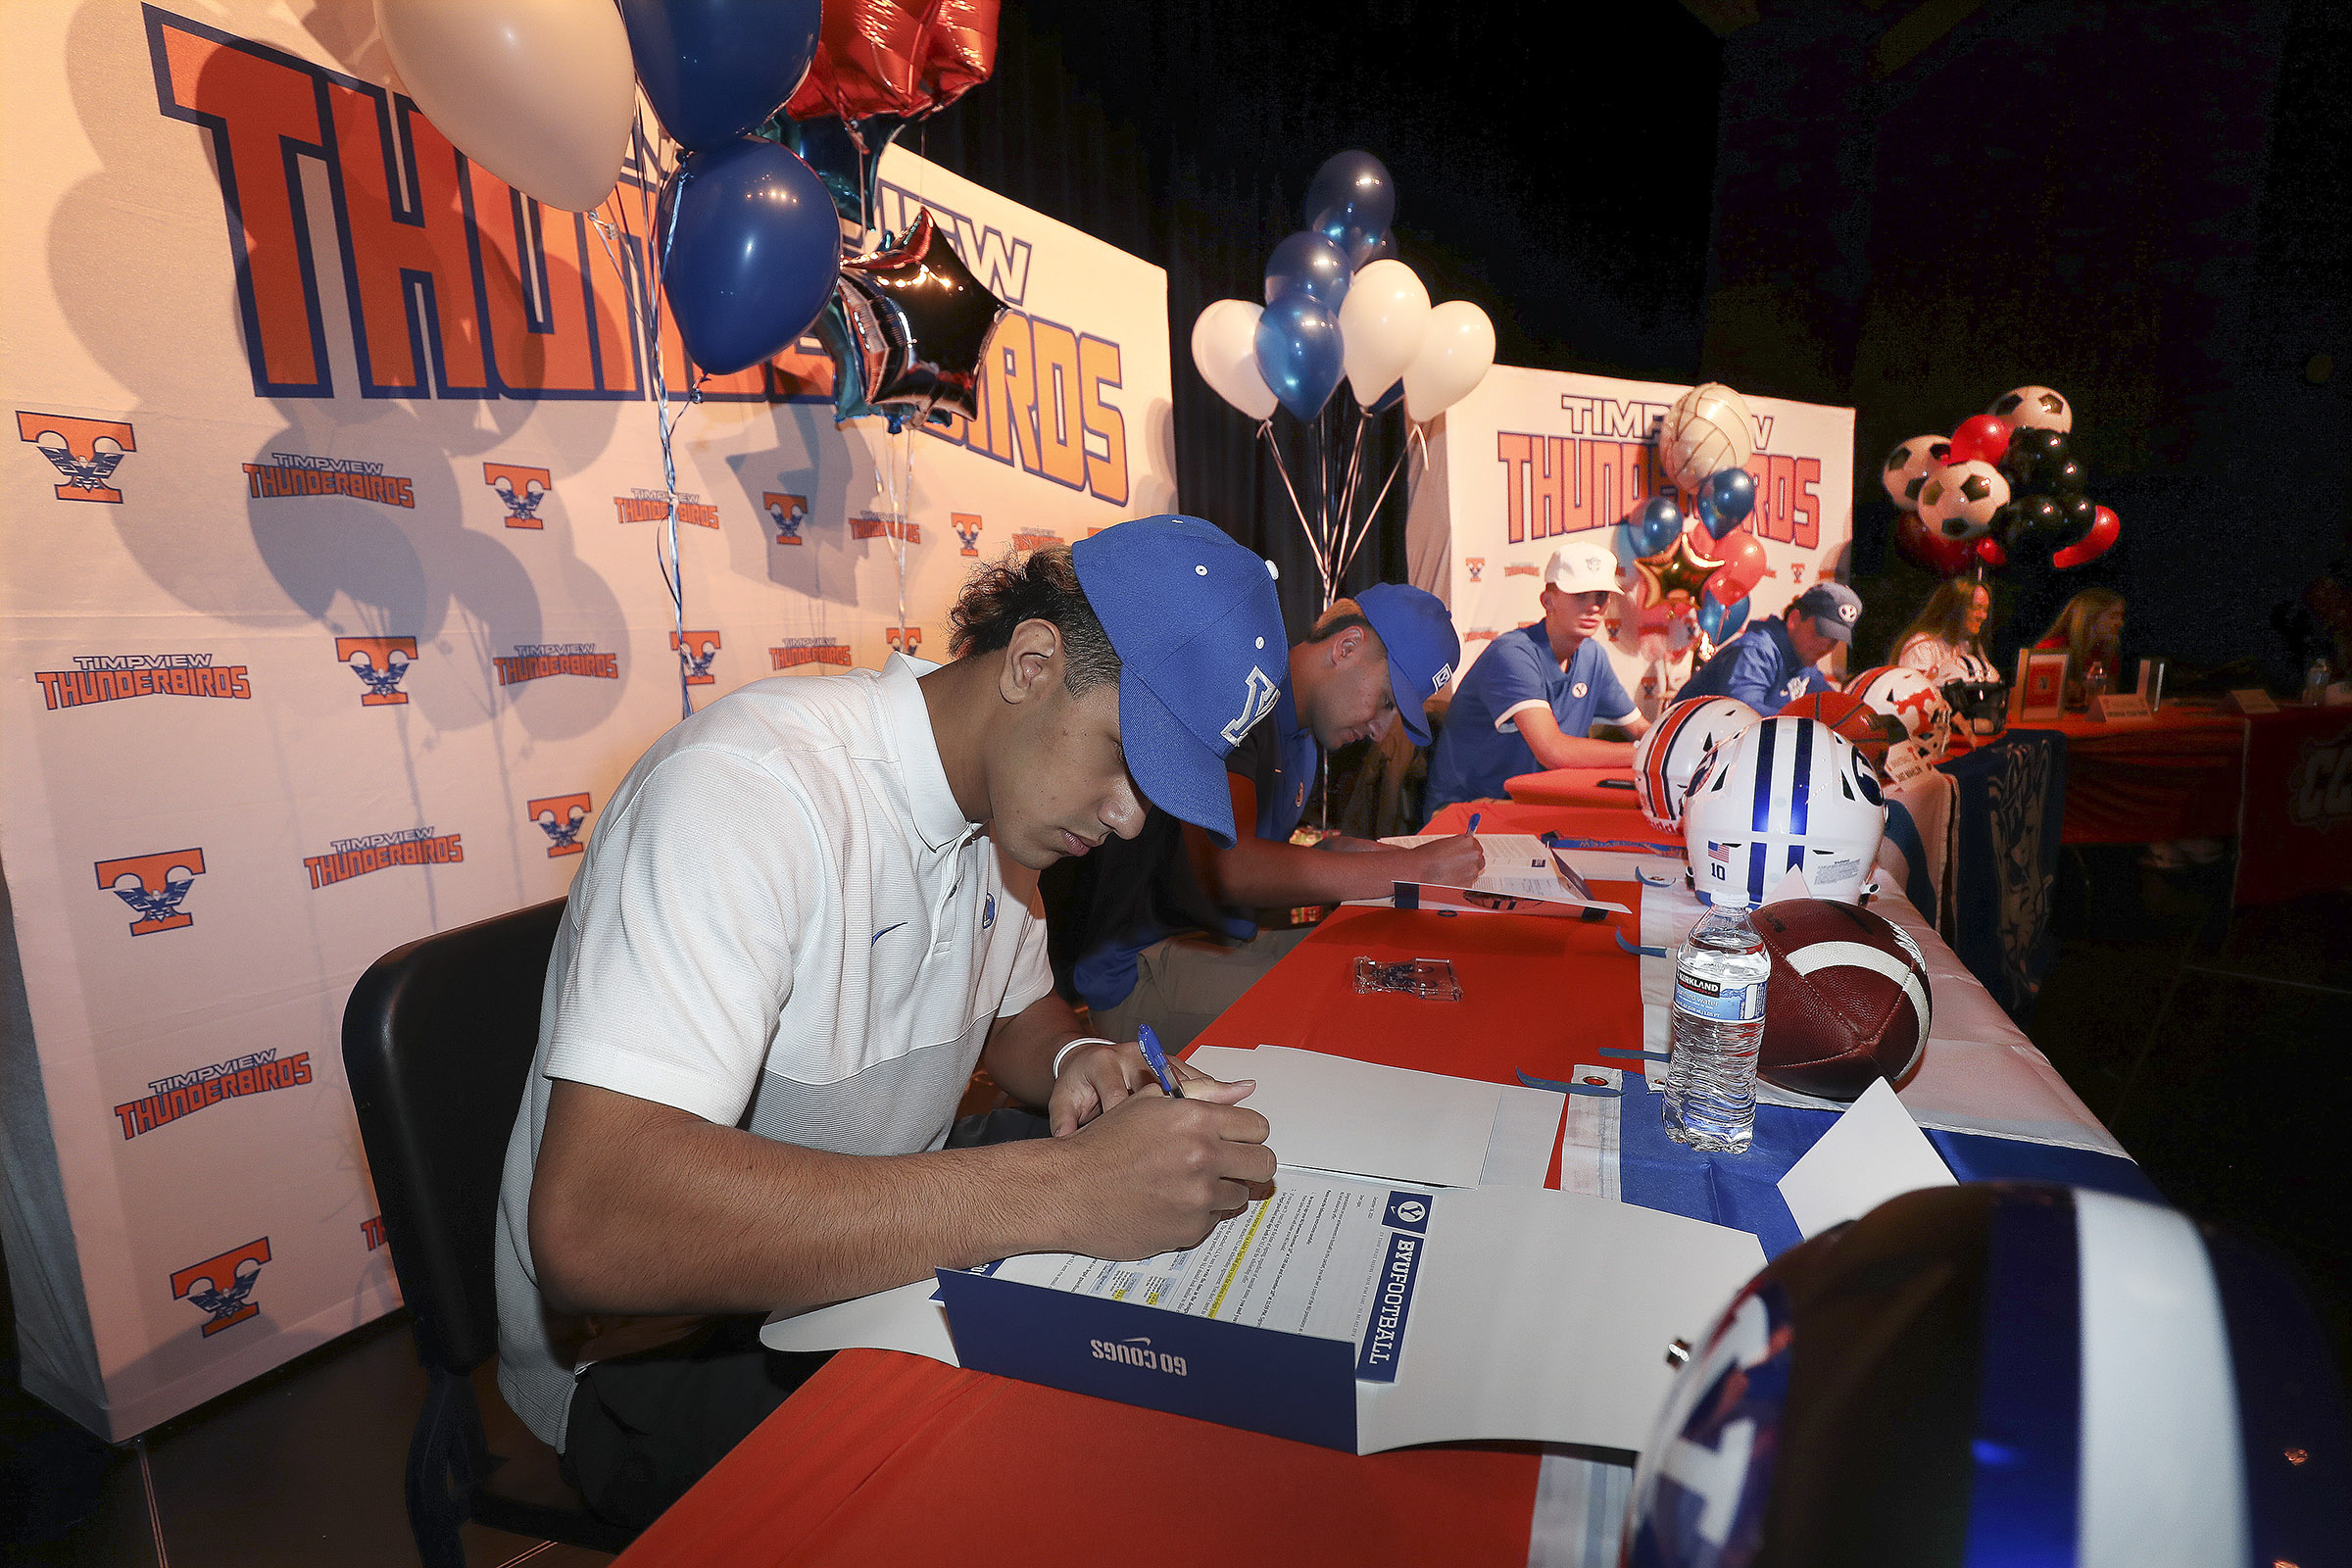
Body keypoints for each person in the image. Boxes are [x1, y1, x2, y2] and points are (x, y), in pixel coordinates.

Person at [493, 516, 1292, 1529]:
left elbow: (1015, 1018)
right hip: (661, 1351)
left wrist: (1084, 1057)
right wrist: (1068, 1189)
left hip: (856, 1280)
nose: (1132, 818)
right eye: (1125, 758)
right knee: (1070, 1494)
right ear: (1033, 662)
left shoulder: (1005, 813)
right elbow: (595, 1225)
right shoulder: (749, 796)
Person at [1059, 583, 1481, 1053]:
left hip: (1215, 945)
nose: (1382, 731)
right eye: (1386, 701)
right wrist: (1412, 869)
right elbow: (1230, 868)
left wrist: (1347, 855)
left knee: (1396, 968)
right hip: (1142, 974)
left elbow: (1254, 869)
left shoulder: (1302, 732)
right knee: (1372, 1014)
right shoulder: (1246, 690)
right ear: (1346, 647)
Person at [1424, 541, 1653, 813]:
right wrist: (1648, 753)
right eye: (1581, 595)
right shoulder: (1512, 655)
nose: (1593, 606)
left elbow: (1641, 729)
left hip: (1532, 803)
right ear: (1548, 600)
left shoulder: (1593, 656)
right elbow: (1553, 751)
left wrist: (1679, 745)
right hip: (1463, 811)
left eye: (1601, 595)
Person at [1675, 581, 1863, 715]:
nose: (1825, 646)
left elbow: (1835, 708)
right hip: (1680, 757)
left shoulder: (1804, 658)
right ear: (1794, 620)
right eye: (1820, 633)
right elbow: (1744, 713)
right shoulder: (1756, 651)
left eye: (1834, 639)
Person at [2034, 587, 2126, 705]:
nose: (2120, 623)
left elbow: (2109, 699)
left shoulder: (2106, 651)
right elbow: (2034, 699)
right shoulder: (2051, 650)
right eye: (2113, 616)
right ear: (2089, 618)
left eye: (2121, 616)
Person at [1890, 575, 1991, 672]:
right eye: (1976, 608)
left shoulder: (1969, 647)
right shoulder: (1921, 647)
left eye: (1985, 610)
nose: (1983, 616)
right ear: (1955, 608)